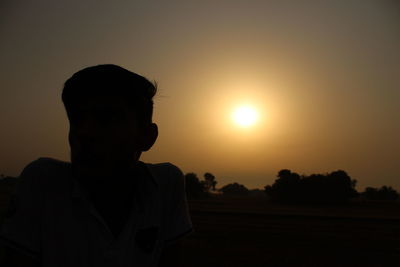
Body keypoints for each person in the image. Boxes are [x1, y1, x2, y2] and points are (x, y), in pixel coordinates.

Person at [0, 64, 193, 267]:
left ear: (147, 137)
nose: (85, 133)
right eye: (77, 119)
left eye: (106, 119)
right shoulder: (43, 183)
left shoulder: (165, 185)